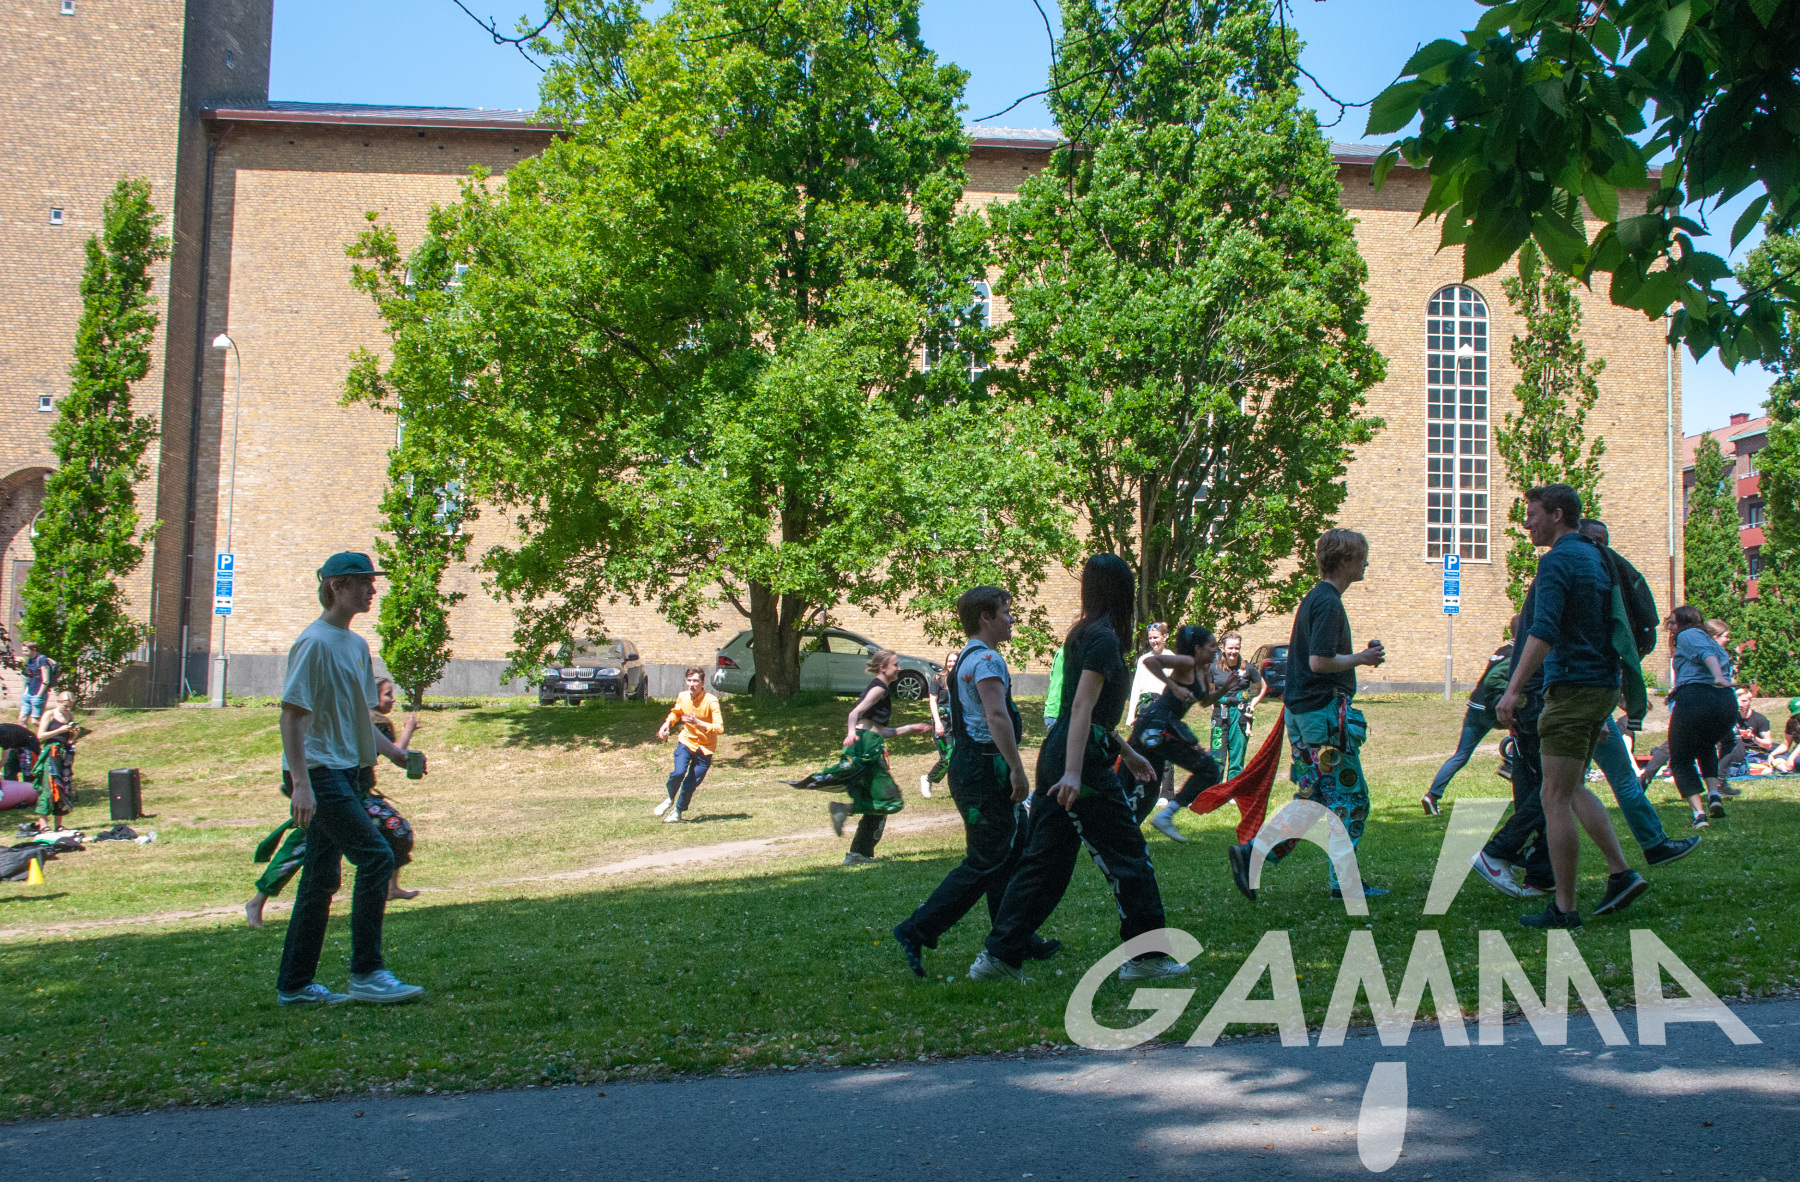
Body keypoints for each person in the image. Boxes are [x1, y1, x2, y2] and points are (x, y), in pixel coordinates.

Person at [970, 554, 1188, 984]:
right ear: (1123, 590)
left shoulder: (1085, 633)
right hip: (1079, 763)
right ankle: (1146, 957)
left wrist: (1126, 751)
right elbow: (1081, 707)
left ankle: (998, 956)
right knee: (1128, 854)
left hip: (1066, 753)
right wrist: (1073, 773)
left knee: (1045, 862)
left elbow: (1089, 712)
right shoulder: (1103, 638)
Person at [272, 551, 426, 1006]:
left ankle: (295, 985)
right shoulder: (313, 642)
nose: (371, 589)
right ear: (336, 586)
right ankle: (367, 972)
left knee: (320, 880)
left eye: (371, 582)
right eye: (362, 581)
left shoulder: (356, 646)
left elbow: (361, 716)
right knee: (377, 858)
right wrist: (301, 784)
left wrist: (396, 753)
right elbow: (291, 717)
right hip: (318, 774)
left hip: (345, 772)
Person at [1494, 485, 1647, 928]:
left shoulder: (1558, 560)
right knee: (1573, 787)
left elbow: (1542, 630)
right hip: (1601, 684)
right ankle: (1621, 874)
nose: (1527, 524)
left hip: (1573, 687)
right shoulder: (1595, 554)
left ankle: (1565, 908)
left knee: (1553, 796)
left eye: (1532, 514)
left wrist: (1512, 690)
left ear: (1557, 514)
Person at [893, 587, 1056, 977]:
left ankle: (1014, 936)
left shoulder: (966, 656)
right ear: (985, 617)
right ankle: (917, 929)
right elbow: (996, 717)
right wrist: (1017, 768)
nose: (1012, 619)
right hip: (984, 768)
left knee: (1011, 853)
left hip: (971, 767)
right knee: (988, 858)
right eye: (1006, 612)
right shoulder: (986, 660)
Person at [1228, 529, 1387, 902]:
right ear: (1345, 560)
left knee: (1314, 798)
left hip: (1303, 715)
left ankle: (1253, 854)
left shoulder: (1316, 598)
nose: (1366, 562)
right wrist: (1363, 658)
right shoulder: (1328, 602)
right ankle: (1344, 884)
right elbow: (1319, 661)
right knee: (1351, 798)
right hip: (1322, 718)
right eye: (1361, 556)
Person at [246, 677, 422, 928]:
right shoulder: (366, 722)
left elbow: (389, 752)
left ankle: (391, 887)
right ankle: (258, 902)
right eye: (387, 694)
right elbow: (388, 750)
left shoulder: (364, 721)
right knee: (393, 831)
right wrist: (408, 732)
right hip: (345, 797)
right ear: (371, 697)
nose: (392, 699)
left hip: (352, 794)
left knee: (311, 848)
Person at [788, 650, 932, 865]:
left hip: (867, 746)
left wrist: (911, 727)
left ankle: (858, 854)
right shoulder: (879, 688)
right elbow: (853, 714)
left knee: (875, 804)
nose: (899, 668)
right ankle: (844, 809)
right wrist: (851, 733)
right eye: (895, 664)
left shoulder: (880, 689)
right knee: (892, 802)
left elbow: (879, 731)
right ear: (883, 667)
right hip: (865, 749)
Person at [1136, 625, 1230, 843]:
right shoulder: (1186, 662)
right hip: (1157, 725)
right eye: (1211, 645)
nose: (1216, 650)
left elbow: (1204, 702)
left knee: (1148, 787)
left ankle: (1128, 832)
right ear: (1197, 648)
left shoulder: (1202, 670)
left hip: (1162, 727)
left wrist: (1225, 689)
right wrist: (1173, 686)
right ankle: (1165, 816)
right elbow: (1150, 662)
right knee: (1209, 769)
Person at [1660, 605, 1741, 827]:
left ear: (1686, 622)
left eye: (1674, 622)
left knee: (1680, 758)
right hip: (1725, 703)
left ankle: (1699, 815)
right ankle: (1714, 795)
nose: (1671, 627)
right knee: (1705, 746)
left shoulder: (1689, 634)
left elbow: (1705, 654)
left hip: (1698, 699)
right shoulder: (1710, 640)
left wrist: (1717, 677)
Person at [1423, 621, 1516, 814]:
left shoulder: (1502, 650)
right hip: (1492, 708)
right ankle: (1511, 763)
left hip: (1475, 706)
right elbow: (1493, 679)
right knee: (1528, 730)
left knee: (1461, 755)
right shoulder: (1517, 653)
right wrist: (1513, 691)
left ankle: (1431, 795)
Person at [654, 667, 724, 822]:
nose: (692, 684)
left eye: (696, 681)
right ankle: (670, 799)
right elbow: (676, 712)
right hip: (686, 742)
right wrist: (667, 724)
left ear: (703, 682)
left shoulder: (711, 701)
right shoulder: (683, 696)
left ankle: (678, 811)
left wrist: (697, 722)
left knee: (690, 783)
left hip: (705, 748)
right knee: (678, 773)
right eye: (689, 680)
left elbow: (719, 728)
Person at [1208, 632, 1267, 782]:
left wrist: (1252, 705)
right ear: (1223, 648)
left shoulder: (1248, 668)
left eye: (1237, 648)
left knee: (1237, 757)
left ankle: (1232, 790)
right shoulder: (1214, 668)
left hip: (1240, 714)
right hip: (1220, 715)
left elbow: (1262, 687)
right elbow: (1210, 690)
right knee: (1217, 756)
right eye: (1230, 648)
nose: (1233, 651)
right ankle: (1216, 790)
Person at [31, 690, 78, 833]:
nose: (68, 709)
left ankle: (59, 825)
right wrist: (60, 730)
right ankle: (43, 824)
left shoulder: (69, 715)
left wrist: (74, 734)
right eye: (65, 706)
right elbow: (40, 736)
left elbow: (68, 739)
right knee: (48, 786)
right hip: (51, 754)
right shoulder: (49, 714)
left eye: (70, 706)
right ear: (58, 702)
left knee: (63, 787)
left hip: (63, 754)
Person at [18, 642, 55, 723]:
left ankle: (52, 730)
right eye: (23, 651)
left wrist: (38, 696)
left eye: (26, 651)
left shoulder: (42, 660)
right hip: (29, 693)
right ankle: (26, 733)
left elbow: (46, 680)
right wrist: (25, 692)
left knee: (35, 721)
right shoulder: (29, 660)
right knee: (22, 719)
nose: (24, 653)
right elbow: (29, 678)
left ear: (34, 649)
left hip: (39, 695)